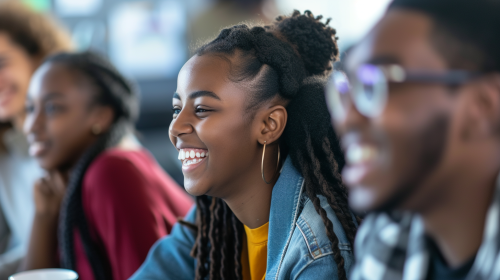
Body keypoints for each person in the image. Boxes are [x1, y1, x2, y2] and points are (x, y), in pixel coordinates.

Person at [131, 10, 359, 280]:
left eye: (202, 109)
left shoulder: (319, 248)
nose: (175, 127)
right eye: (176, 109)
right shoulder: (210, 217)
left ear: (268, 125)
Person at [326, 0, 500, 279]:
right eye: (347, 88)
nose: (346, 117)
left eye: (375, 84)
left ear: (483, 106)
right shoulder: (389, 234)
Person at [22, 52, 193, 280]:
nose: (31, 126)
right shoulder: (69, 184)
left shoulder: (112, 172)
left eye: (53, 108)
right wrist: (44, 216)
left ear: (100, 117)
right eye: (30, 109)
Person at [0, 1, 72, 278]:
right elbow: (16, 248)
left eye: (3, 63)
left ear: (39, 56)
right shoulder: (7, 152)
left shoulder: (82, 142)